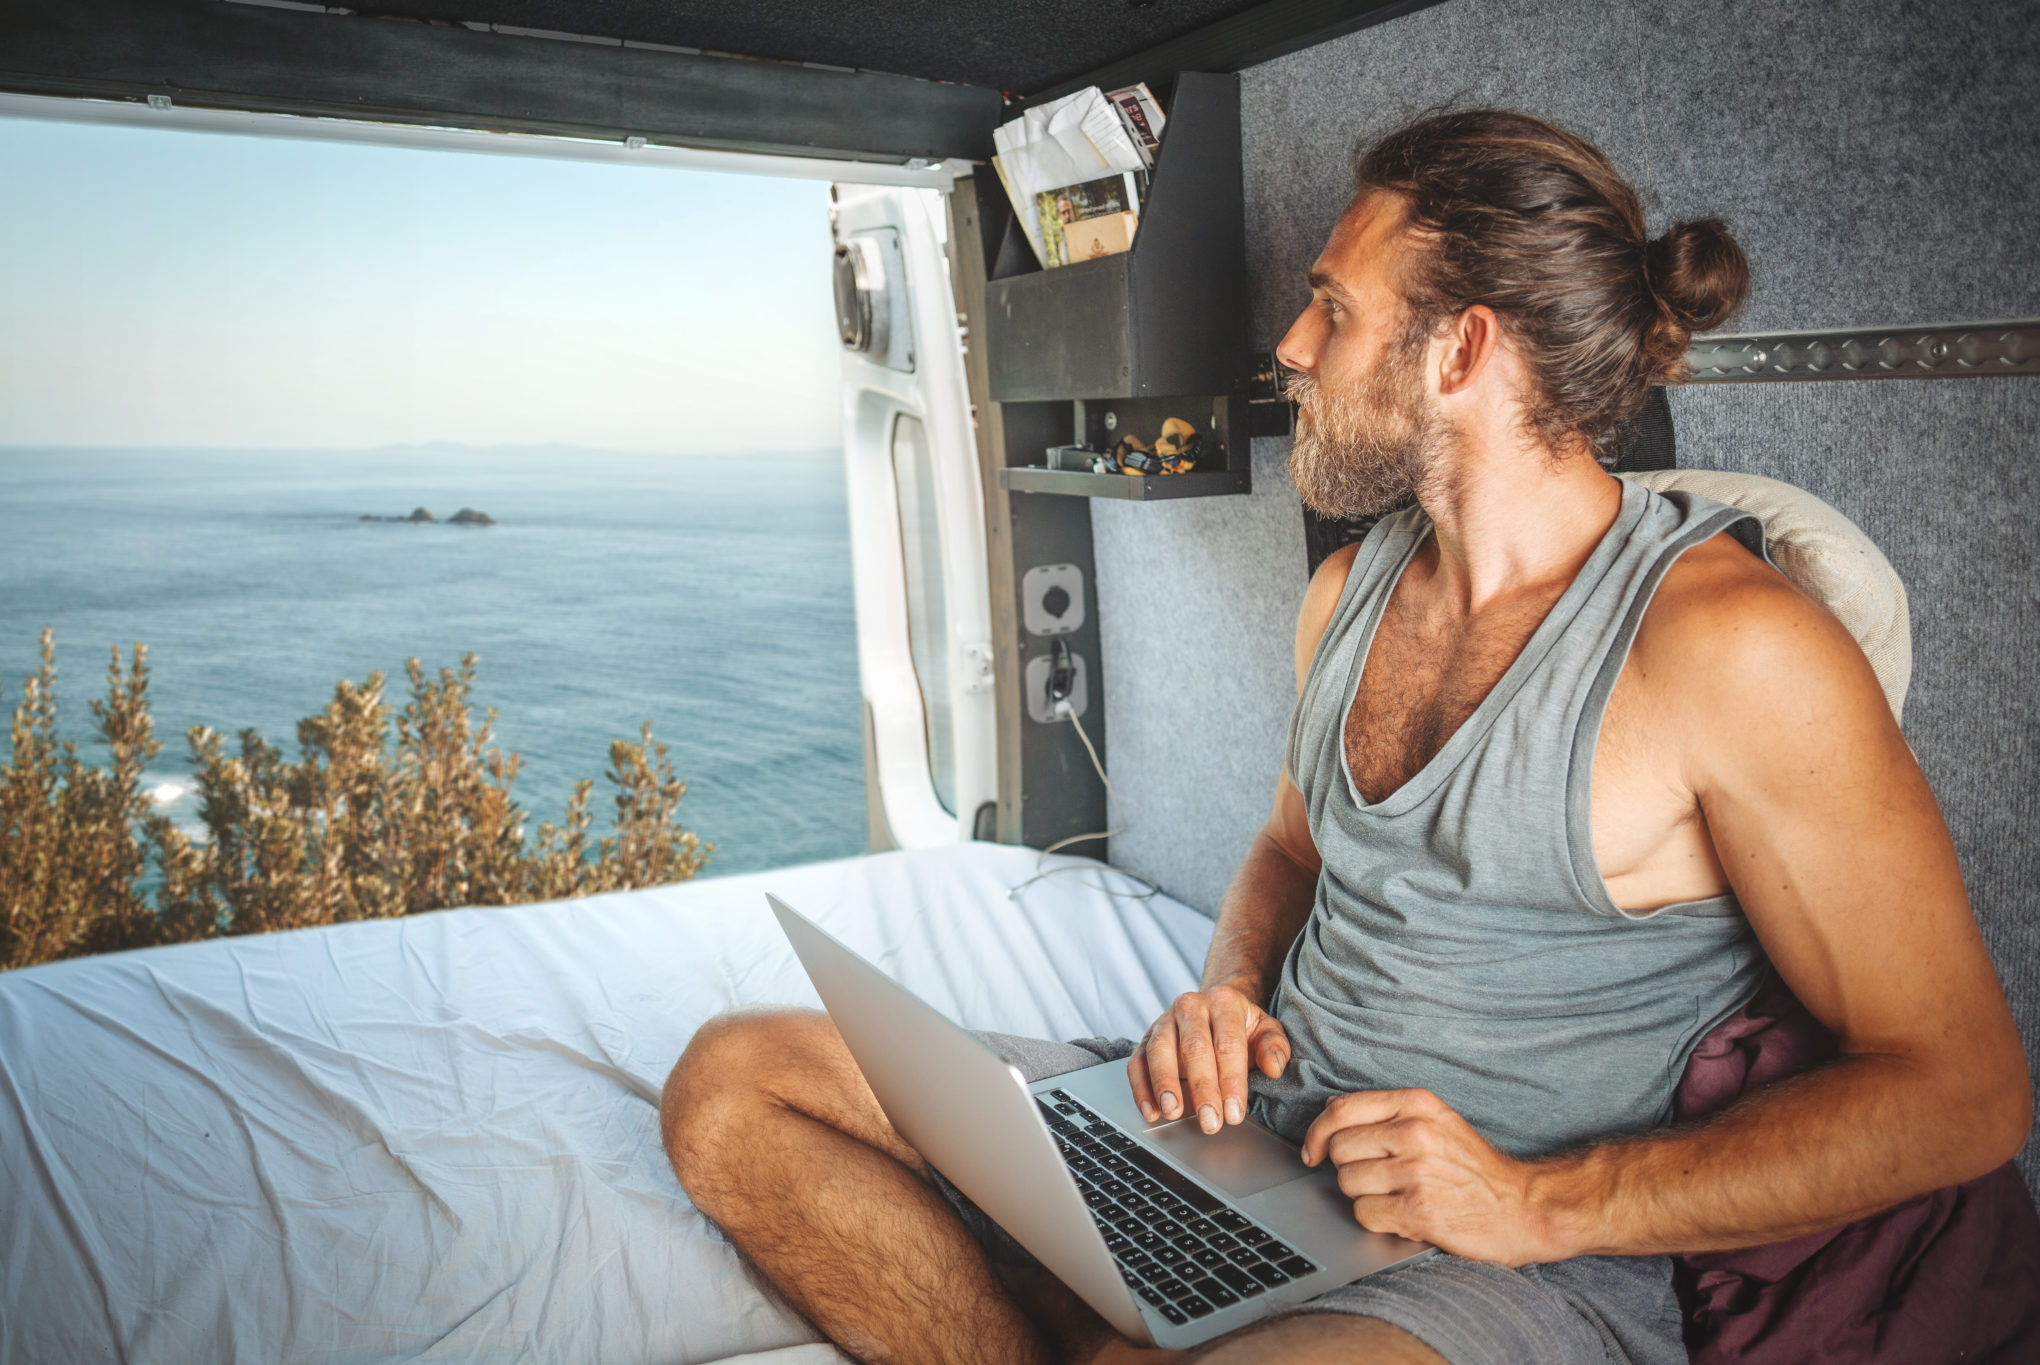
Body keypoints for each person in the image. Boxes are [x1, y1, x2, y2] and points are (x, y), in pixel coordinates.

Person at [659, 110, 2032, 1365]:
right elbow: (1285, 844)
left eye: (1331, 307)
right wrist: (1230, 992)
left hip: (1485, 1258)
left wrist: (1534, 1201)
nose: (1295, 349)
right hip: (1246, 1148)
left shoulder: (1731, 648)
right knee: (732, 1091)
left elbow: (1963, 1094)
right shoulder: (1347, 590)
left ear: (1464, 348)